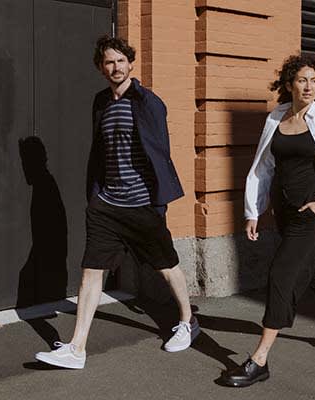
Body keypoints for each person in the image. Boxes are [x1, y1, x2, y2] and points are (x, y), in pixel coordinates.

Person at [35, 35, 199, 369]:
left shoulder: (148, 101)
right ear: (101, 68)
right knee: (90, 273)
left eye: (121, 60)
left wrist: (158, 203)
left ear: (130, 63)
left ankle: (187, 321)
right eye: (109, 62)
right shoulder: (101, 103)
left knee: (166, 266)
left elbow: (159, 152)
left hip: (141, 204)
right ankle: (77, 348)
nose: (115, 67)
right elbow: (100, 151)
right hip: (106, 205)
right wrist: (96, 196)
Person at [220, 54, 315, 387]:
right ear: (289, 84)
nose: (309, 86)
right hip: (283, 213)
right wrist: (252, 211)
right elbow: (262, 168)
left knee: (282, 275)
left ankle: (259, 360)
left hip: (310, 216)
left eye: (314, 80)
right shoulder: (275, 118)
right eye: (302, 80)